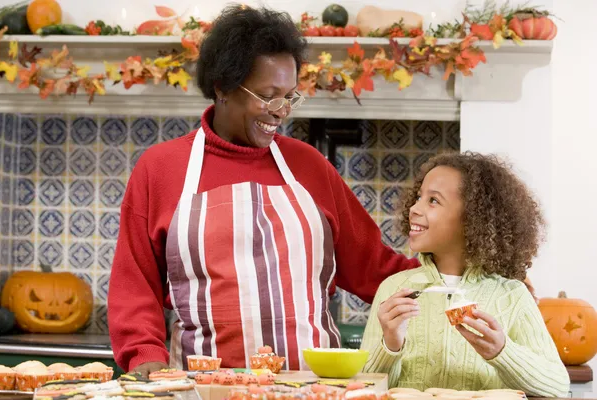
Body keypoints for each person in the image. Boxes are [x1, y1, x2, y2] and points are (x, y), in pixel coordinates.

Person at [107, 5, 420, 377]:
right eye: (269, 95)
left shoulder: (310, 166)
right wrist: (146, 359)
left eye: (289, 96)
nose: (281, 111)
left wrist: (455, 278)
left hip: (311, 386)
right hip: (201, 388)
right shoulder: (160, 169)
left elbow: (375, 268)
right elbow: (134, 284)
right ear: (222, 86)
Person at [360, 152, 569, 397]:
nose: (414, 208)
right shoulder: (393, 289)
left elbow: (557, 386)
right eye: (419, 197)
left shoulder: (513, 296)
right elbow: (364, 388)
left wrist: (503, 352)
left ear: (472, 218)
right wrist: (390, 345)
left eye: (433, 201)